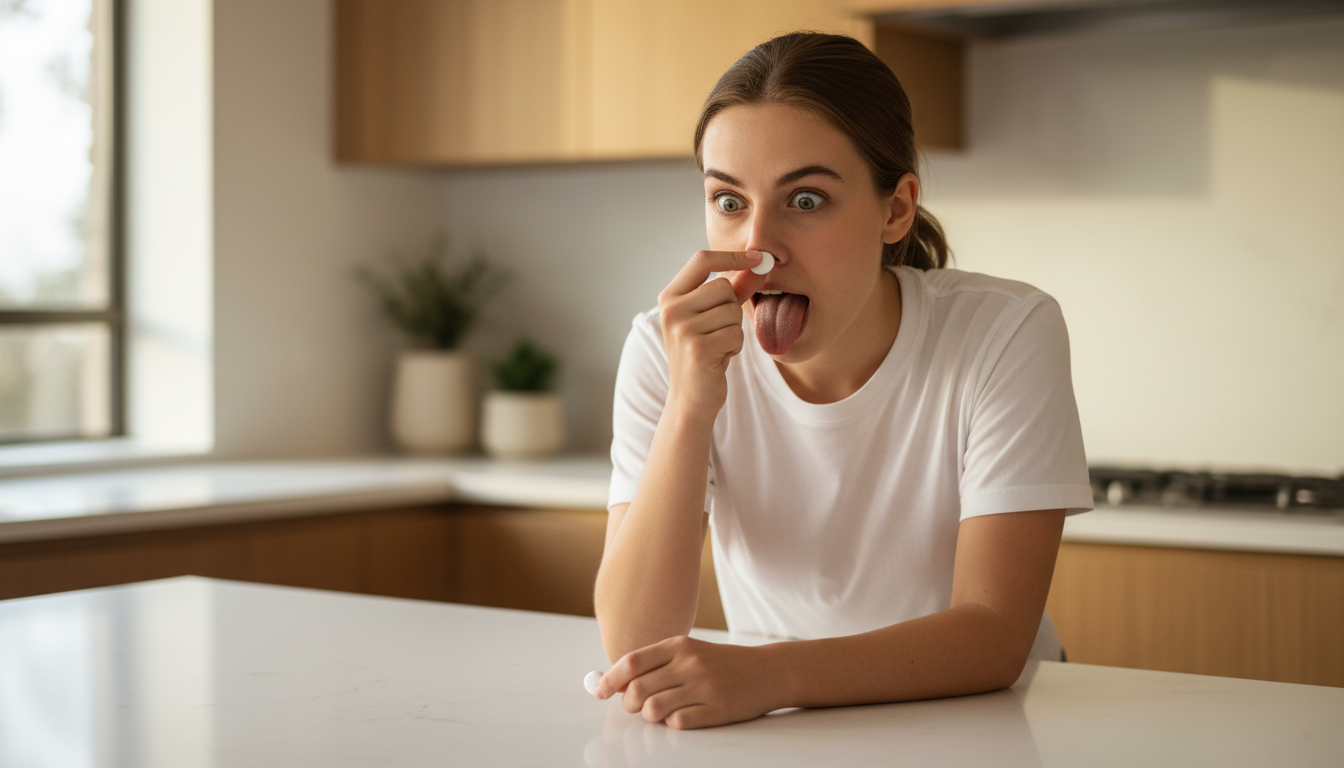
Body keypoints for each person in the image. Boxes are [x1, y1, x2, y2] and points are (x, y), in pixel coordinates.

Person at [592, 31, 1093, 730]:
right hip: (793, 729)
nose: (758, 249)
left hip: (984, 724)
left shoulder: (1003, 331)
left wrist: (771, 674)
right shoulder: (665, 348)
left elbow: (994, 633)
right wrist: (689, 407)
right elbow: (634, 646)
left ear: (896, 209)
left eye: (805, 200)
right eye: (729, 201)